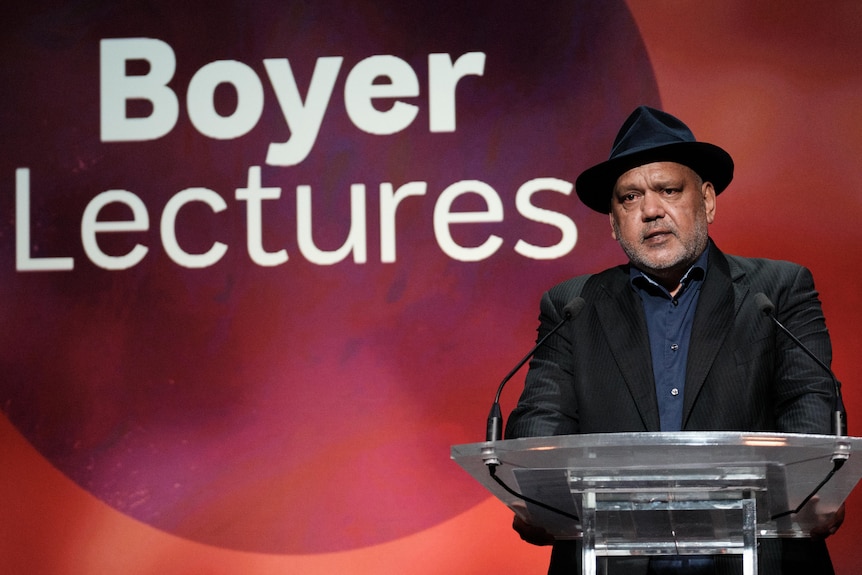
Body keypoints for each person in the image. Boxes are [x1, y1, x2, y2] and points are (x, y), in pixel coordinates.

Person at [505, 106, 845, 574]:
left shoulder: (777, 292)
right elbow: (539, 425)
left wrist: (815, 489)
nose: (650, 210)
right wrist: (537, 494)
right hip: (610, 561)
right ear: (612, 221)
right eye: (629, 197)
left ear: (706, 200)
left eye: (668, 190)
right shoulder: (573, 306)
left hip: (760, 557)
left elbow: (810, 408)